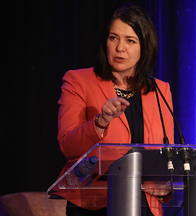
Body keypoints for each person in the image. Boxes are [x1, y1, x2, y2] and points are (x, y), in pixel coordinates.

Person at [55, 4, 174, 216]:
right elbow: (68, 145)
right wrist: (100, 122)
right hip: (94, 205)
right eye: (113, 38)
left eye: (130, 41)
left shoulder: (160, 90)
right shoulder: (78, 81)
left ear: (144, 47)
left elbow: (167, 156)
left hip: (146, 206)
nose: (120, 48)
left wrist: (166, 186)